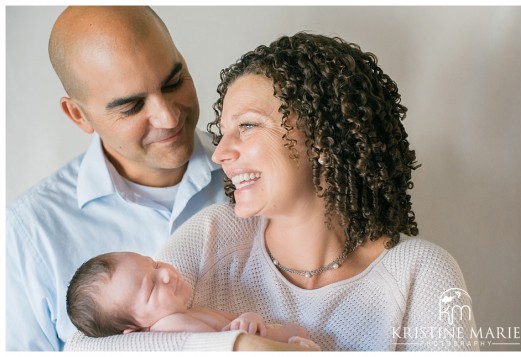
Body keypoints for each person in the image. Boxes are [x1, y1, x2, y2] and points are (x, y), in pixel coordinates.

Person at [65, 32, 479, 351]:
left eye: (246, 126)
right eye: (222, 132)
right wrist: (249, 346)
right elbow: (84, 347)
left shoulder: (419, 275)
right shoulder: (215, 235)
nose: (220, 153)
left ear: (320, 138)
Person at [6, 6, 230, 351]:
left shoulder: (264, 174)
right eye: (132, 107)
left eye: (173, 82)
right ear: (78, 115)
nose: (168, 118)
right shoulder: (30, 233)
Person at [66, 251, 312, 346]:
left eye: (154, 264)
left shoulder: (188, 312)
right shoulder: (168, 327)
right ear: (134, 330)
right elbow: (222, 346)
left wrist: (248, 319)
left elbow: (234, 327)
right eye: (151, 287)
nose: (165, 274)